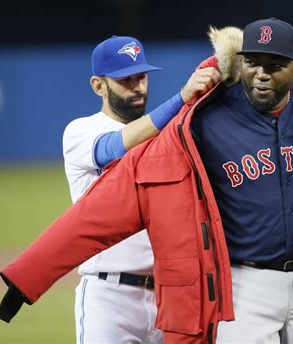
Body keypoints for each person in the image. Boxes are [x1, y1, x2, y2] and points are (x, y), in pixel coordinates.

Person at [0, 19, 293, 344]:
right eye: (252, 62)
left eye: (273, 63)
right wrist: (28, 275)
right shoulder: (201, 126)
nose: (260, 73)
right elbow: (107, 204)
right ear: (238, 66)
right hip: (239, 288)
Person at [63, 35, 221, 344]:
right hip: (110, 297)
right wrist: (181, 99)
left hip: (168, 295)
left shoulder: (165, 135)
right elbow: (116, 145)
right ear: (98, 85)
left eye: (141, 76)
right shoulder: (81, 131)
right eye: (125, 79)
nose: (137, 86)